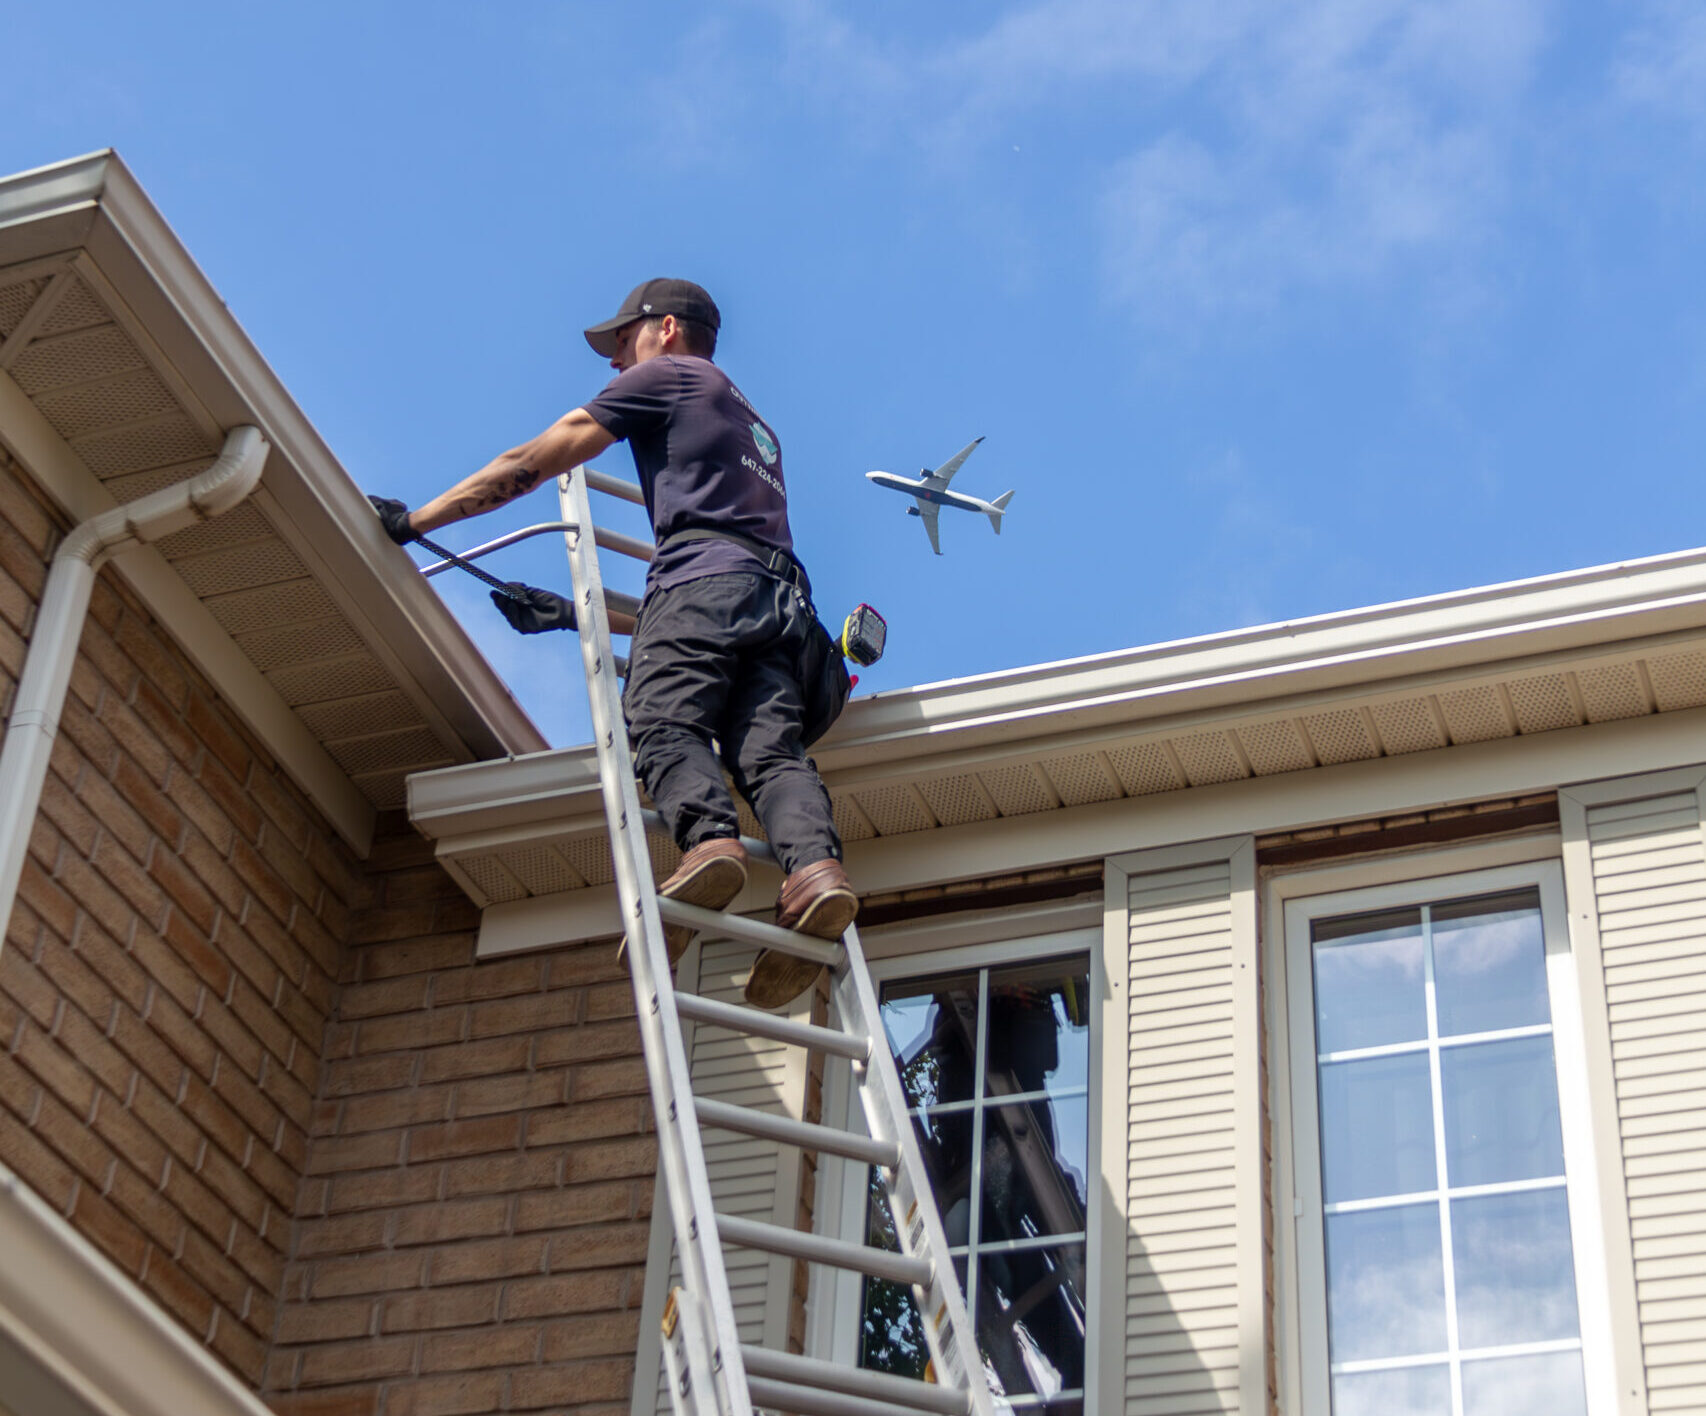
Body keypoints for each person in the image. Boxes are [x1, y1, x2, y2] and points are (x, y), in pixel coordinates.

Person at [369, 278, 853, 1009]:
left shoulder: (670, 377)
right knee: (769, 756)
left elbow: (534, 460)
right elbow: (718, 603)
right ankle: (816, 873)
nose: (615, 364)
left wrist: (418, 523)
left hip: (706, 588)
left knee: (659, 723)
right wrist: (575, 614)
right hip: (779, 608)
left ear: (663, 329)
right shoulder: (756, 426)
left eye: (621, 342)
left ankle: (708, 846)